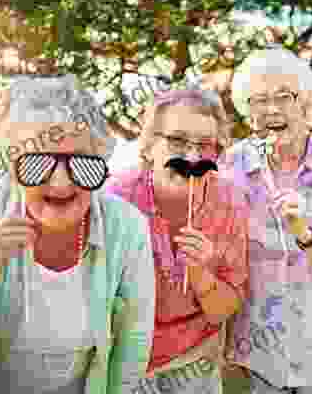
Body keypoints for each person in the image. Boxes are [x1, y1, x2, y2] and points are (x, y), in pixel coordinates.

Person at [0, 75, 155, 394]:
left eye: (82, 163)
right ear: (11, 166)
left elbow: (132, 346)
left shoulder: (126, 226)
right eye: (37, 163)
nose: (62, 183)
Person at [219, 47, 312, 394]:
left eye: (284, 96)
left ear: (305, 102)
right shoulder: (232, 166)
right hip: (255, 357)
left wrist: (305, 235)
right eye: (258, 100)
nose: (271, 109)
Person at [105, 87, 249, 394]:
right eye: (178, 141)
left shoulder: (229, 203)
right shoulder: (115, 199)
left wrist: (201, 275)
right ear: (149, 145)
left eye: (206, 145)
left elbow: (222, 310)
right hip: (124, 358)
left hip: (194, 358)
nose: (193, 156)